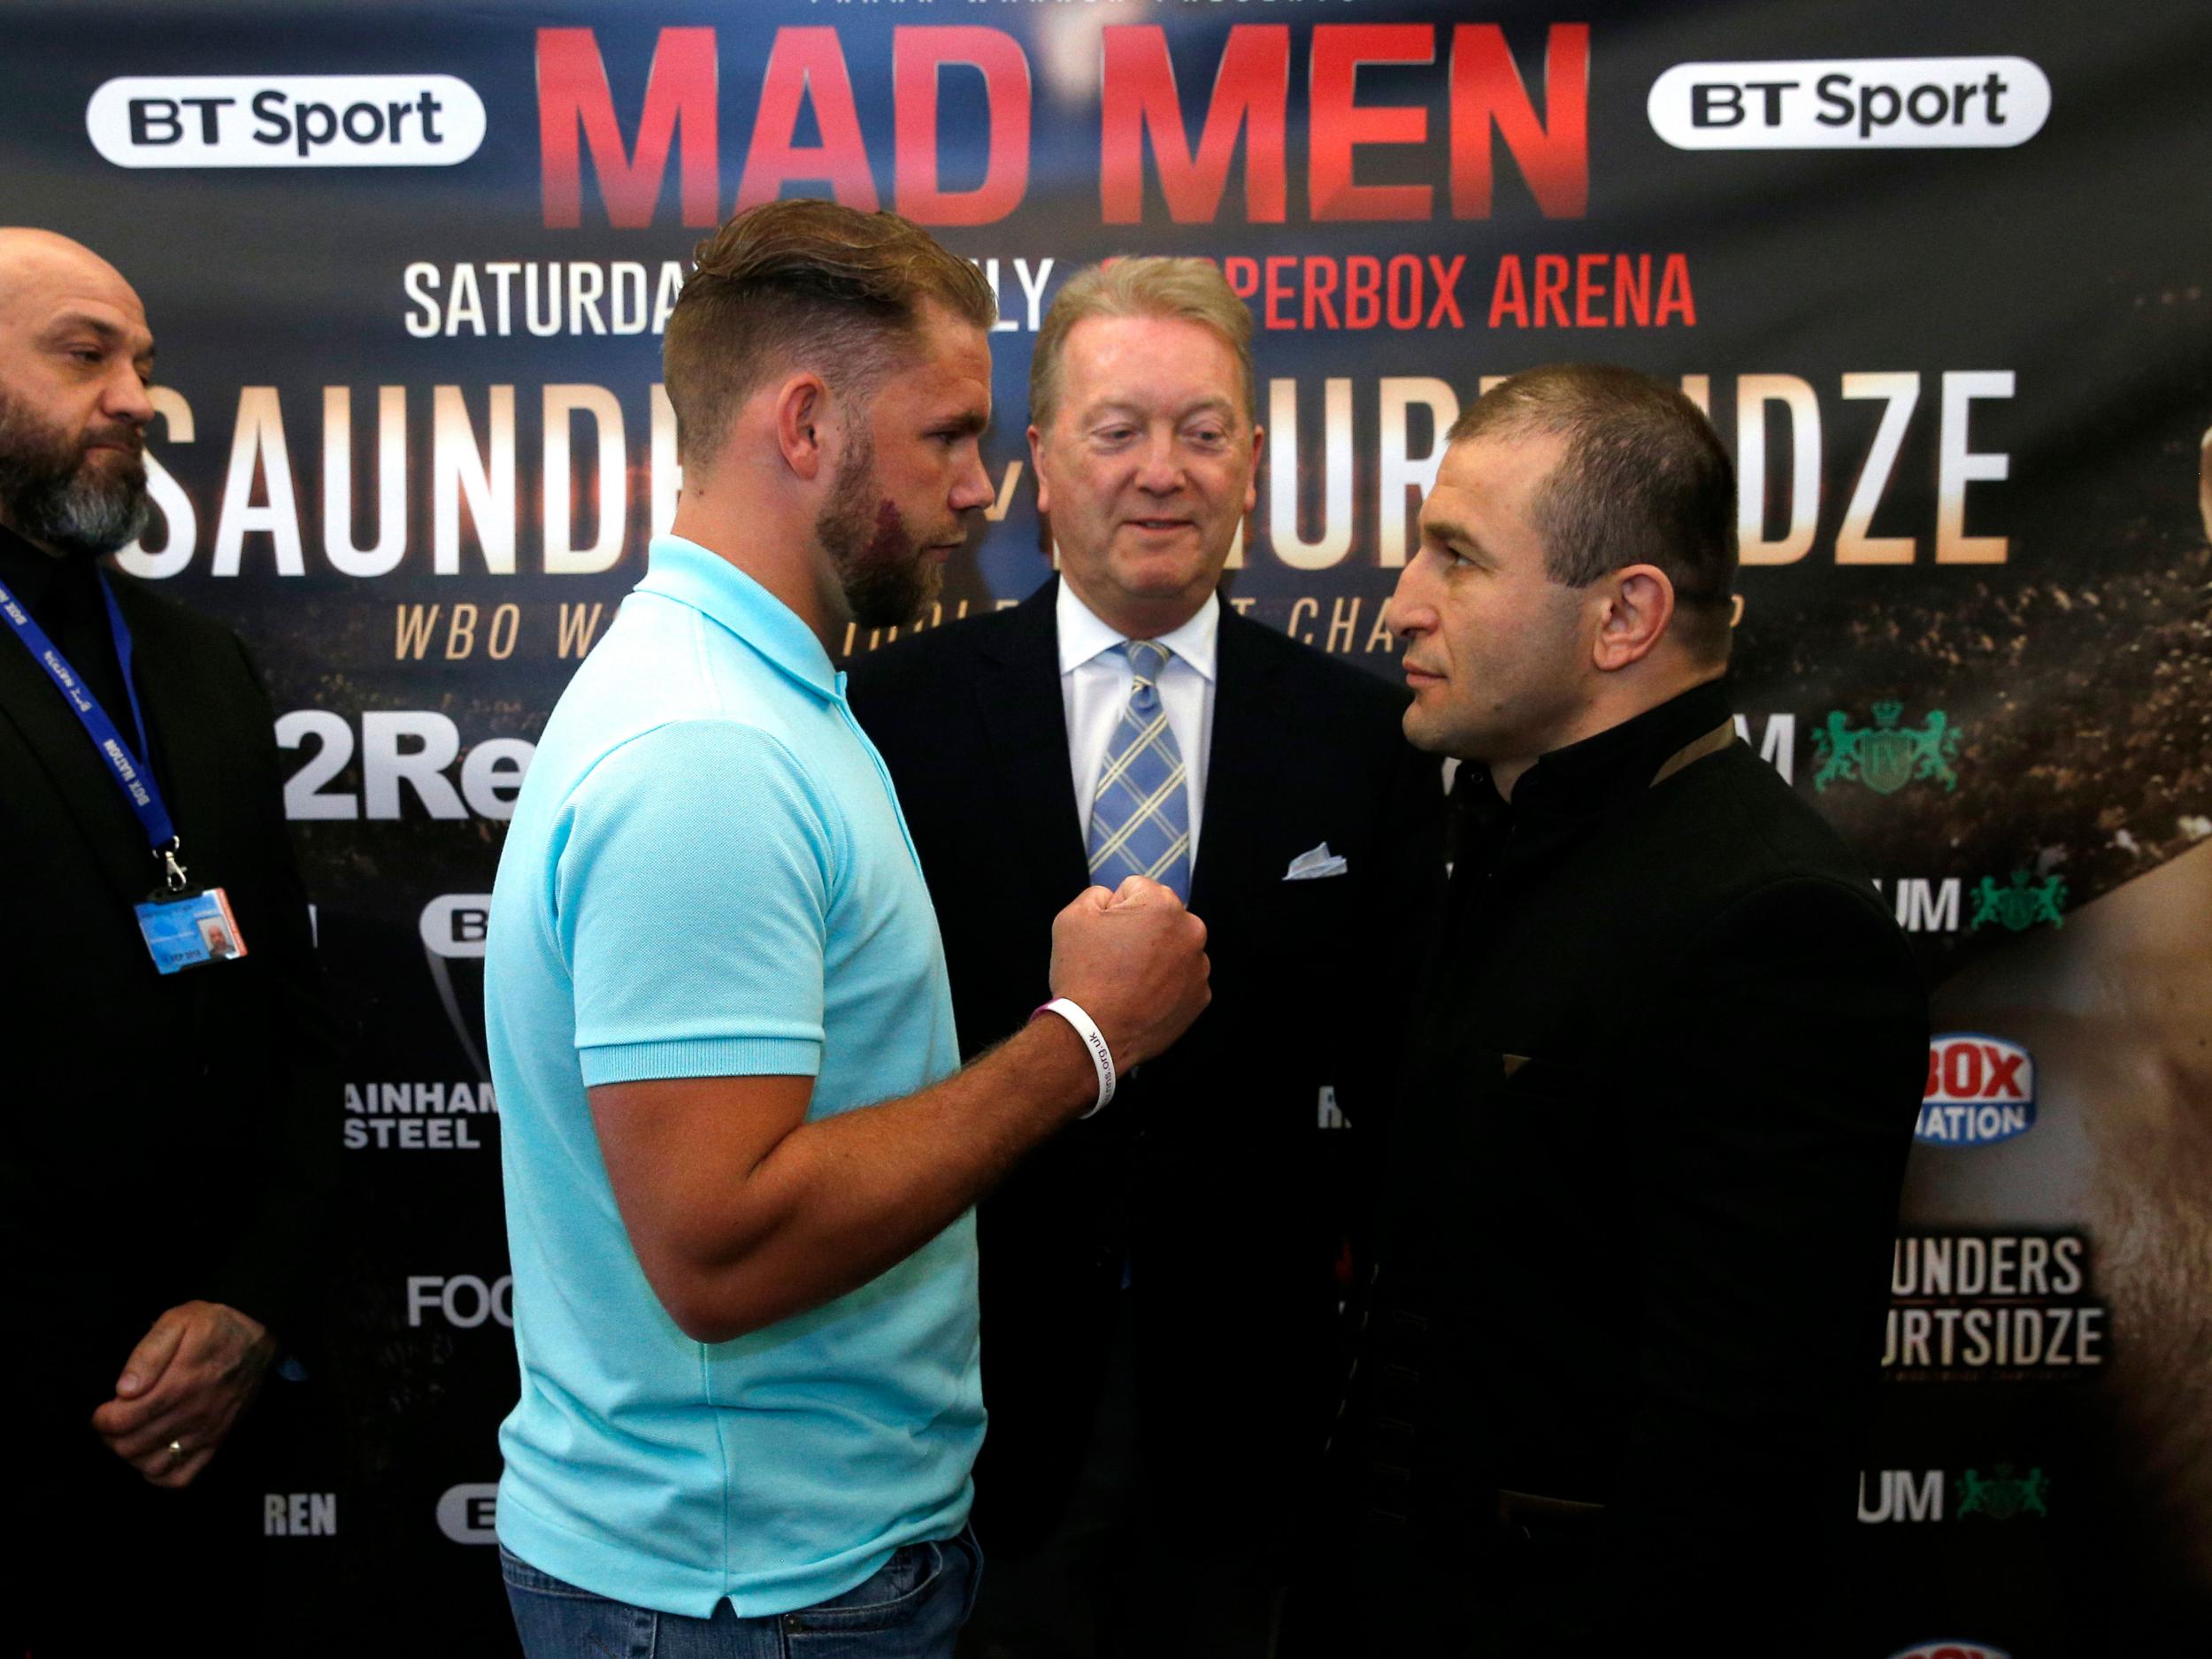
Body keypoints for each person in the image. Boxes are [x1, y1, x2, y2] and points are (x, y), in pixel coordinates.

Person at [483, 202, 1212, 1659]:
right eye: (947, 435)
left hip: (781, 1566)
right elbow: (722, 1254)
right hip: (749, 1595)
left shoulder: (771, 695)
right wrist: (1082, 1042)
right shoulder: (707, 750)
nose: (980, 488)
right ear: (806, 424)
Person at [847, 257, 1447, 1658]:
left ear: (1252, 459)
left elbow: (1401, 1092)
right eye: (1118, 431)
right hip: (960, 1418)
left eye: (1202, 429)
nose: (1161, 472)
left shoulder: (1365, 743)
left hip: (1253, 1432)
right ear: (1042, 464)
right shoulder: (887, 720)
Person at [1324, 363, 1928, 1653]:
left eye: (1456, 560)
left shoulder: (1773, 926)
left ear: (1624, 617)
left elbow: (1737, 1468)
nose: (1398, 607)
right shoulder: (1488, 845)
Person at [0, 228, 336, 1651]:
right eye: (86, 354)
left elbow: (287, 1031)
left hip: (206, 1443)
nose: (138, 394)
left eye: (144, 361)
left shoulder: (199, 664)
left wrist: (249, 1308)